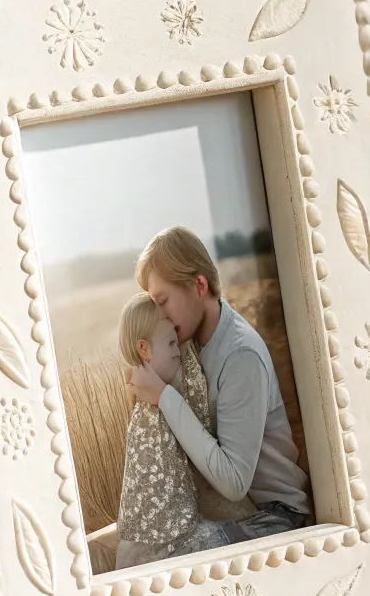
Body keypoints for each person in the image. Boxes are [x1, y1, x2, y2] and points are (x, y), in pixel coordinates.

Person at [125, 226, 313, 538]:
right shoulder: (185, 342)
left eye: (163, 300)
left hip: (276, 516)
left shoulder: (240, 356)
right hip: (220, 510)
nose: (161, 316)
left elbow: (234, 482)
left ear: (199, 285)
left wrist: (163, 397)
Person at [113, 292, 255, 569]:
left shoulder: (156, 396)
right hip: (163, 544)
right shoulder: (151, 412)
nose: (178, 349)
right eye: (170, 343)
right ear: (144, 350)